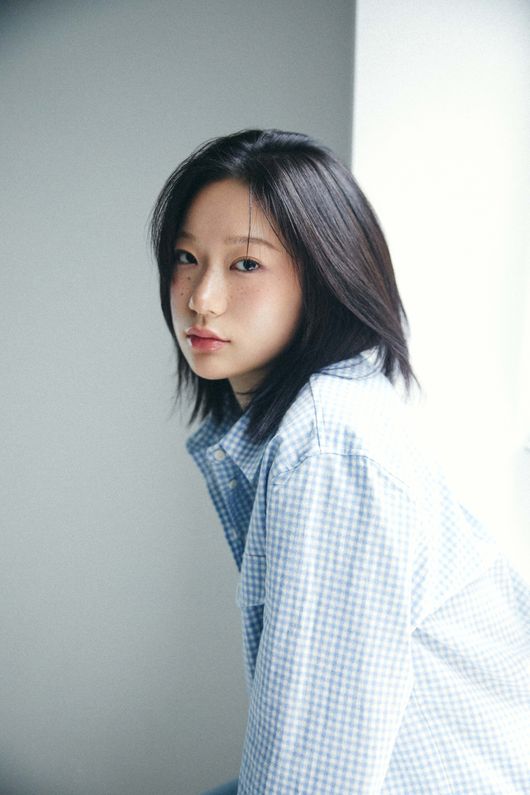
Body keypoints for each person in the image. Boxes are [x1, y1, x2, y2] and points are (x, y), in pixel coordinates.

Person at [150, 129, 530, 794]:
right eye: (187, 258)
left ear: (325, 275)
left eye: (245, 264)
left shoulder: (328, 447)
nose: (200, 298)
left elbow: (313, 772)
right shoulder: (320, 417)